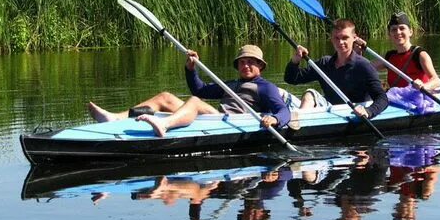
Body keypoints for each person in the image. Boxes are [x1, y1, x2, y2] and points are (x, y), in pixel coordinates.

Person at [88, 45, 290, 137]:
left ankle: (164, 125)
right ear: (238, 66)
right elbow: (200, 89)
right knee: (165, 97)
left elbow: (283, 111)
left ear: (260, 67)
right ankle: (116, 118)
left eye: (251, 63)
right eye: (243, 62)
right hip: (219, 117)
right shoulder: (230, 84)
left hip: (232, 121)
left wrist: (275, 120)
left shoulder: (266, 87)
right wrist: (191, 69)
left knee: (193, 101)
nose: (246, 66)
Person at [284, 18, 388, 119]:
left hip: (354, 112)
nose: (340, 42)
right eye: (336, 38)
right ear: (331, 38)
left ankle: (300, 124)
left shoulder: (364, 66)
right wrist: (295, 61)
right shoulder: (324, 63)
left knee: (310, 94)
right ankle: (298, 123)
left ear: (354, 38)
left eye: (345, 38)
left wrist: (368, 111)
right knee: (293, 93)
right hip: (330, 110)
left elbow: (382, 98)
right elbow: (291, 79)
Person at [361, 11, 440, 91]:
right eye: (394, 30)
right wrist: (358, 52)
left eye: (402, 28)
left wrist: (424, 86)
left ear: (410, 32)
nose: (398, 32)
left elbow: (436, 80)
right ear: (389, 34)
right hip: (395, 99)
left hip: (418, 98)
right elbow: (364, 69)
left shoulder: (420, 54)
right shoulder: (389, 57)